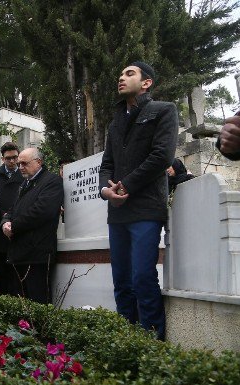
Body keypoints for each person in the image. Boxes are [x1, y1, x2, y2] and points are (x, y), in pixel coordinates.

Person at [98, 61, 178, 340]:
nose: (121, 77)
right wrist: (104, 190)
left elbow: (161, 157)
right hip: (117, 210)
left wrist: (126, 185)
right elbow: (106, 163)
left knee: (142, 277)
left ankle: (152, 342)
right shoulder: (116, 120)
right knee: (121, 282)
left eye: (129, 73)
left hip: (146, 208)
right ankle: (127, 339)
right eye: (120, 73)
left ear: (147, 83)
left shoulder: (163, 110)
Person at [1, 147, 63, 303]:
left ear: (39, 162)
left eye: (24, 163)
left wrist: (13, 226)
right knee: (20, 304)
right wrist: (5, 223)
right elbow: (12, 210)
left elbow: (41, 212)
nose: (19, 167)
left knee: (37, 301)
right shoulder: (24, 184)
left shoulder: (52, 181)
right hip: (19, 253)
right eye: (19, 163)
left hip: (37, 255)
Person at [0, 141, 23, 295]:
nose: (12, 161)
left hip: (18, 223)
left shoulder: (24, 173)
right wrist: (3, 216)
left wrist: (13, 217)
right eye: (8, 158)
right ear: (2, 159)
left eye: (15, 157)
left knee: (16, 269)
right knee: (0, 267)